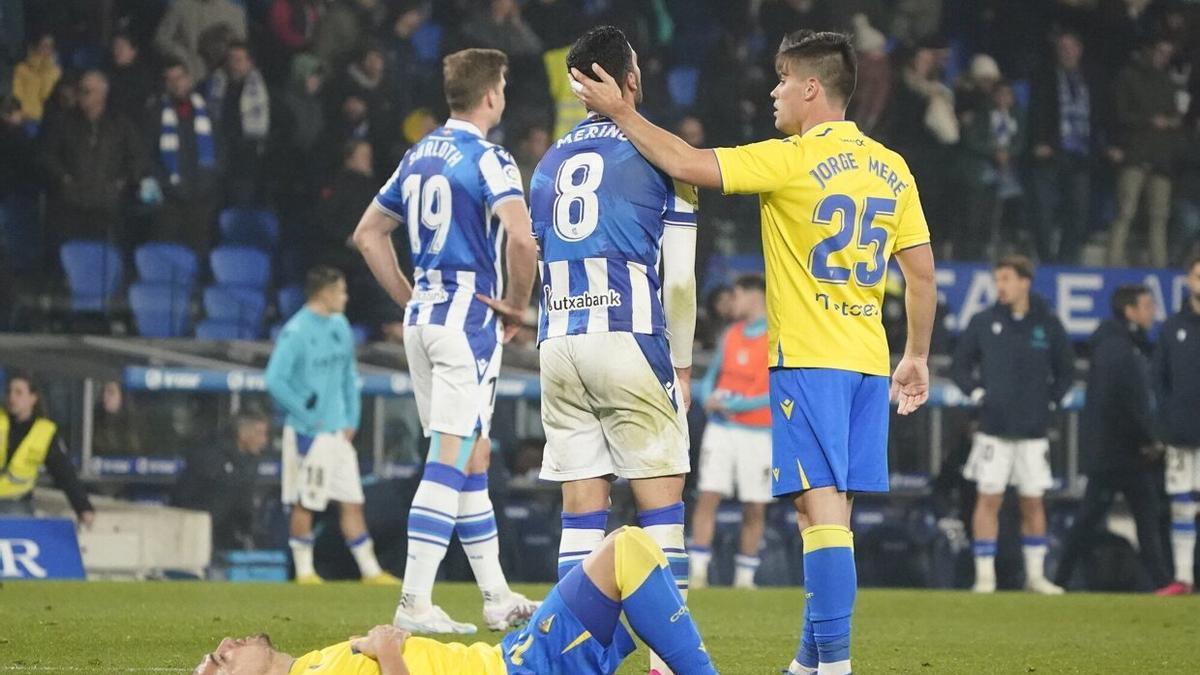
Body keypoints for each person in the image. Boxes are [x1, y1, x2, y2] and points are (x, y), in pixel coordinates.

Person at [571, 29, 937, 675]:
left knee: (819, 514)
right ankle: (806, 661)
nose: (772, 90)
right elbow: (923, 275)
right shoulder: (893, 165)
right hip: (867, 359)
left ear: (811, 88)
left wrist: (623, 113)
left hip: (811, 358)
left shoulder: (791, 158)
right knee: (828, 517)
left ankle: (836, 667)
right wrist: (917, 355)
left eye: (782, 79)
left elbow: (686, 162)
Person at [493, 26, 699, 675]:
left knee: (582, 506)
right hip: (628, 333)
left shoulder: (549, 162)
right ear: (628, 81)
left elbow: (536, 250)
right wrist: (684, 362)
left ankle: (565, 660)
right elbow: (684, 279)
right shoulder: (664, 153)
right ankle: (668, 666)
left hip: (559, 343)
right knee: (661, 501)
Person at [353, 48, 539, 634]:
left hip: (424, 321)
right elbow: (521, 237)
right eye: (503, 86)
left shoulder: (418, 155)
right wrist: (517, 303)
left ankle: (496, 595)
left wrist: (409, 295)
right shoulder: (490, 159)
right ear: (492, 96)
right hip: (466, 325)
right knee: (451, 457)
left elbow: (367, 234)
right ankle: (413, 603)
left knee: (473, 456)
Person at [191, 526, 716, 675]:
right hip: (519, 669)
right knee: (630, 550)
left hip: (513, 655)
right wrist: (390, 651)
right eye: (220, 661)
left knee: (655, 575)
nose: (224, 644)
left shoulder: (309, 666)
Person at [264, 266, 398, 587]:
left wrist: (352, 418)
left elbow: (349, 377)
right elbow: (274, 379)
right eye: (340, 291)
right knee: (306, 500)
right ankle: (305, 571)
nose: (345, 297)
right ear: (324, 293)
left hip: (339, 433)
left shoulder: (339, 326)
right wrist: (308, 416)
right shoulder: (296, 331)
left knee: (352, 501)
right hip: (309, 432)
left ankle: (370, 571)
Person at [950, 256, 1073, 594]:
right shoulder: (983, 321)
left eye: (1006, 279)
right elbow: (960, 366)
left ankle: (1035, 576)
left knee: (1032, 502)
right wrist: (976, 394)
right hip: (993, 429)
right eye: (997, 280)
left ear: (1025, 282)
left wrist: (1050, 401)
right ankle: (985, 577)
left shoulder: (1047, 324)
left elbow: (1067, 370)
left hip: (1033, 431)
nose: (1000, 286)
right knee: (988, 499)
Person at [1054, 285, 1173, 593]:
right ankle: (1058, 580)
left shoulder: (1126, 344)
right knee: (1092, 519)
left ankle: (1162, 583)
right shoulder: (1117, 347)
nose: (1153, 312)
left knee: (1144, 516)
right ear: (1129, 310)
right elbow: (1125, 401)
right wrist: (1149, 438)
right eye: (1147, 306)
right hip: (1115, 453)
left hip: (1126, 452)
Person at [690, 274, 772, 590]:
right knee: (708, 495)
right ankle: (698, 572)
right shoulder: (731, 333)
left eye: (736, 295)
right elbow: (712, 375)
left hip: (758, 431)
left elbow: (777, 390)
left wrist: (740, 403)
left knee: (755, 504)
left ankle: (744, 578)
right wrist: (707, 396)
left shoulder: (777, 336)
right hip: (721, 429)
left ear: (754, 296)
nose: (731, 302)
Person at [38, 70, 147, 246]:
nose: (81, 95)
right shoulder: (63, 122)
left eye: (87, 91)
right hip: (72, 205)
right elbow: (47, 154)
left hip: (107, 205)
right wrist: (64, 178)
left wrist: (122, 181)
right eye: (79, 90)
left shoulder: (121, 124)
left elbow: (138, 157)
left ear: (102, 94)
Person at [1107, 37, 1183, 268]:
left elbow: (1174, 118)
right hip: (1135, 153)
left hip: (1161, 158)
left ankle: (1159, 267)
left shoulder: (1168, 82)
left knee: (1159, 217)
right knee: (1125, 212)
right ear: (1148, 51)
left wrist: (1169, 124)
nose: (1163, 56)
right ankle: (1112, 264)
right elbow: (1119, 114)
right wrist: (1150, 121)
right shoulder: (1128, 77)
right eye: (1160, 51)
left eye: (1168, 53)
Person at [1027, 32, 1100, 263]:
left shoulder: (1091, 78)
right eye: (1062, 47)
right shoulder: (1045, 77)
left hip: (1080, 154)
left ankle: (1067, 259)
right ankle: (1046, 259)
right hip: (1051, 151)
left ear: (1080, 49)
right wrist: (1039, 142)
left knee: (1078, 210)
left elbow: (1100, 114)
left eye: (1071, 47)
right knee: (1043, 210)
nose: (1066, 52)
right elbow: (1036, 112)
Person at [1151, 255, 1200, 595]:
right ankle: (1183, 578)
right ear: (1187, 281)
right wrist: (1167, 421)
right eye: (1198, 275)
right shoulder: (1173, 327)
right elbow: (1159, 380)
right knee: (1182, 504)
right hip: (1182, 433)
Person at [1, 372, 95, 524]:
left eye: (18, 392)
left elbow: (64, 473)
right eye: (9, 392)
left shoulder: (44, 432)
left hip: (17, 503)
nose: (12, 397)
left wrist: (83, 507)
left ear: (33, 398)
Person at [172, 408, 270, 550]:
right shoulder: (210, 453)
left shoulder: (251, 461)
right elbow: (189, 494)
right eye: (259, 433)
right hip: (192, 529)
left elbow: (245, 502)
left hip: (227, 536)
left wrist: (248, 532)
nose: (264, 440)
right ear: (242, 433)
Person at [151, 58, 220, 255]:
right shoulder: (155, 113)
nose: (176, 83)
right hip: (169, 198)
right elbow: (148, 154)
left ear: (188, 79)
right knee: (166, 251)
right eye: (170, 79)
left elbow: (220, 146)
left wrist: (210, 179)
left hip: (202, 196)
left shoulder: (206, 111)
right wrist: (164, 183)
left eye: (179, 77)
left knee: (197, 252)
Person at [206, 41, 270, 205]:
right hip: (218, 152)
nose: (234, 64)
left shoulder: (262, 90)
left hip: (245, 157)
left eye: (239, 60)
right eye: (231, 59)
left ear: (250, 62)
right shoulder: (215, 84)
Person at [154, 0, 248, 81]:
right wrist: (182, 55)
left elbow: (241, 50)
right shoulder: (180, 8)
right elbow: (161, 39)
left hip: (227, 82)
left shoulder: (236, 13)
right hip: (191, 77)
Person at [11, 32, 60, 123]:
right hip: (23, 118)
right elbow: (16, 95)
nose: (47, 50)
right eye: (44, 46)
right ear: (35, 47)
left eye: (50, 46)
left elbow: (46, 96)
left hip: (47, 120)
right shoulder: (21, 69)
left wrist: (46, 70)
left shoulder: (56, 72)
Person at [92, 380, 141, 455]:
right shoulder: (91, 425)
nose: (105, 397)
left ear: (122, 396)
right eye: (103, 392)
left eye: (111, 392)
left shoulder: (136, 427)